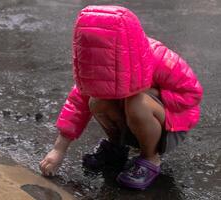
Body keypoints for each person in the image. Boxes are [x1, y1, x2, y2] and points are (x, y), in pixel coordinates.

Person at [39, 5, 203, 190]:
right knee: (96, 100)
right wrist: (58, 150)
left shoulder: (157, 56)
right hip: (131, 121)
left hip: (168, 127)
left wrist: (151, 94)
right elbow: (77, 103)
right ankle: (117, 148)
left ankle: (150, 158)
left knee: (137, 101)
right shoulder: (96, 64)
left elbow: (192, 94)